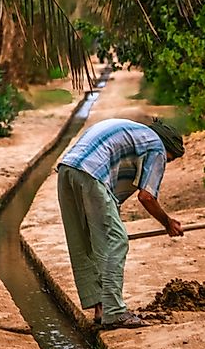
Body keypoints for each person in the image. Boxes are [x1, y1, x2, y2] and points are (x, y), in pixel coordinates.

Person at [56, 117, 185, 329]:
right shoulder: (157, 147)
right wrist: (167, 222)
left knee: (87, 241)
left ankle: (101, 308)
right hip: (91, 173)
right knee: (116, 241)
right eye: (170, 160)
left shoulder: (136, 134)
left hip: (67, 170)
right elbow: (146, 197)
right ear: (167, 148)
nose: (166, 163)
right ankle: (115, 312)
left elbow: (113, 195)